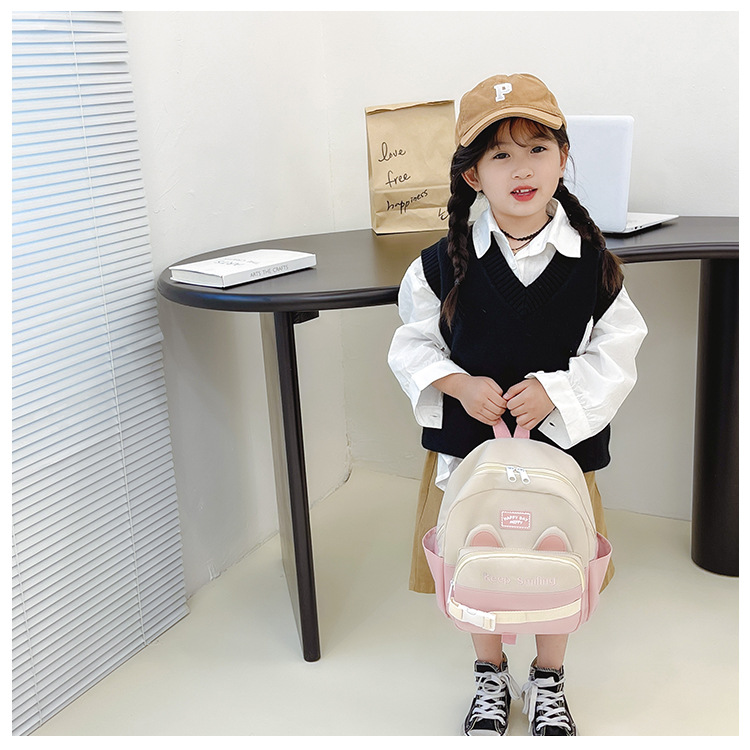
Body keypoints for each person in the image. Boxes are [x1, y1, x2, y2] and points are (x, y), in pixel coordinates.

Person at [387, 73, 648, 736]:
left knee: (556, 560)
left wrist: (557, 389)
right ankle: (490, 671)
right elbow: (411, 345)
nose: (522, 168)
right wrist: (456, 383)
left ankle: (549, 676)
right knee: (479, 560)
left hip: (559, 455)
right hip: (471, 454)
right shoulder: (439, 265)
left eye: (537, 149)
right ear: (473, 175)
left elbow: (618, 350)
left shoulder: (594, 265)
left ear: (564, 158)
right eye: (500, 154)